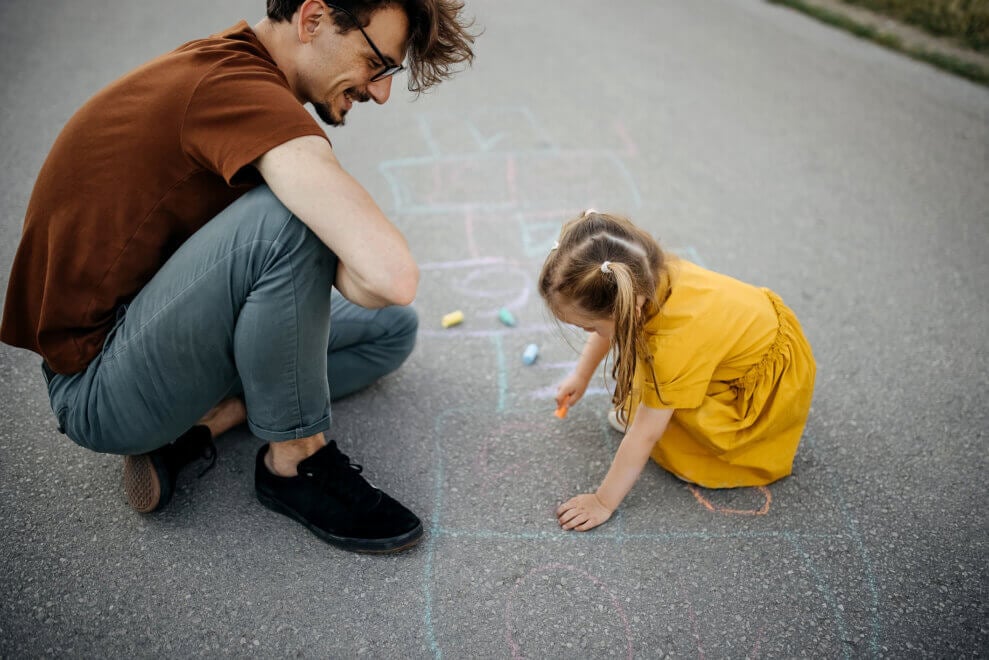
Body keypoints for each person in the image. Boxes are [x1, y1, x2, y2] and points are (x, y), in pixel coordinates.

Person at [0, 0, 476, 553]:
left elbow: (386, 295)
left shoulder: (237, 71)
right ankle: (295, 463)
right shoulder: (236, 91)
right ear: (312, 19)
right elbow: (390, 273)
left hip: (148, 328)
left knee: (391, 330)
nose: (380, 91)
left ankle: (206, 424)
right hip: (97, 386)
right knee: (290, 220)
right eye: (379, 64)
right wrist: (327, 245)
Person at [539, 210, 816, 532]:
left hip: (756, 385)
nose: (592, 333)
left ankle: (731, 448)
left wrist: (603, 501)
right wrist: (581, 375)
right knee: (649, 386)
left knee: (665, 426)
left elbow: (645, 433)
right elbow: (611, 324)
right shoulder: (643, 272)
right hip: (733, 345)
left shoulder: (673, 344)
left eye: (590, 326)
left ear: (632, 307)